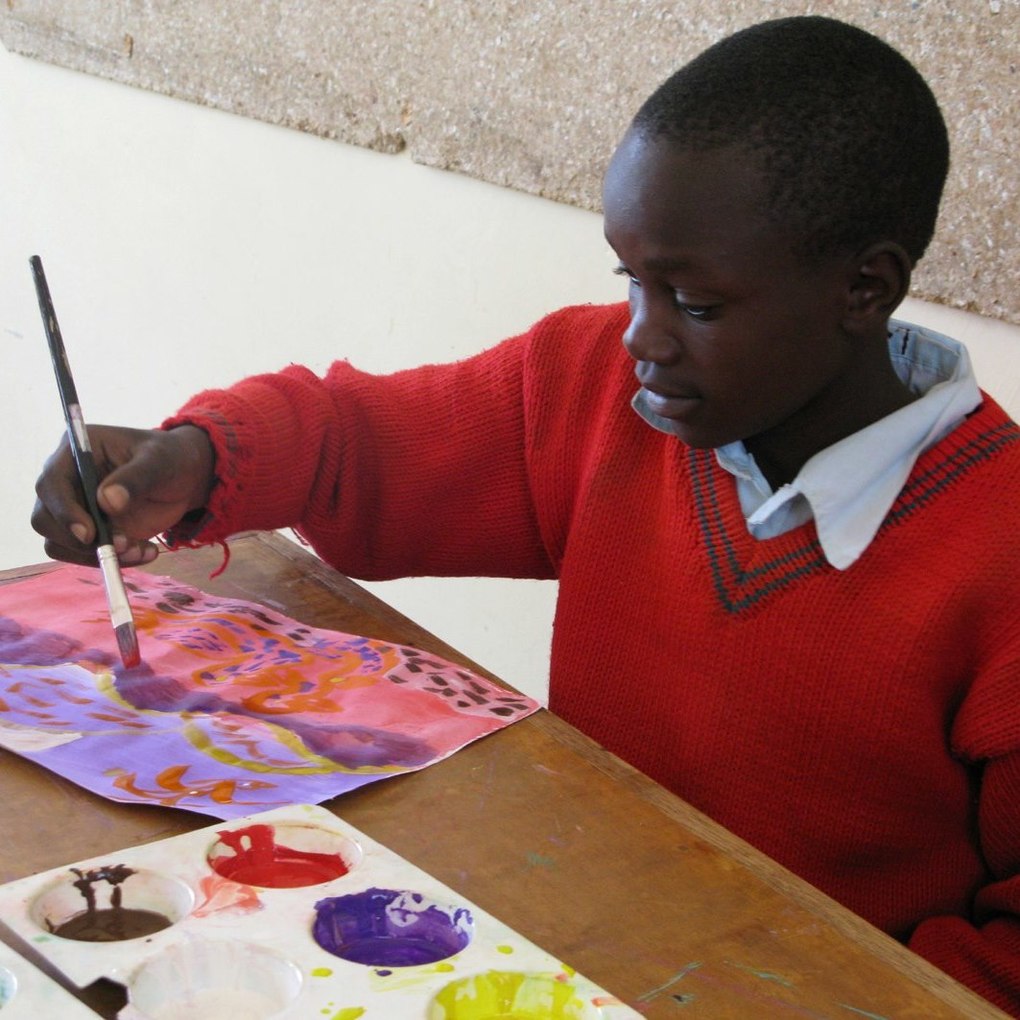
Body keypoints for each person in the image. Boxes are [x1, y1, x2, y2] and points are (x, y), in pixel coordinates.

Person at [31, 15, 1020, 1014]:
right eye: (632, 280)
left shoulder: (998, 551)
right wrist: (197, 461)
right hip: (577, 943)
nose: (644, 335)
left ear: (865, 287)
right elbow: (360, 441)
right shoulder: (602, 392)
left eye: (696, 304)